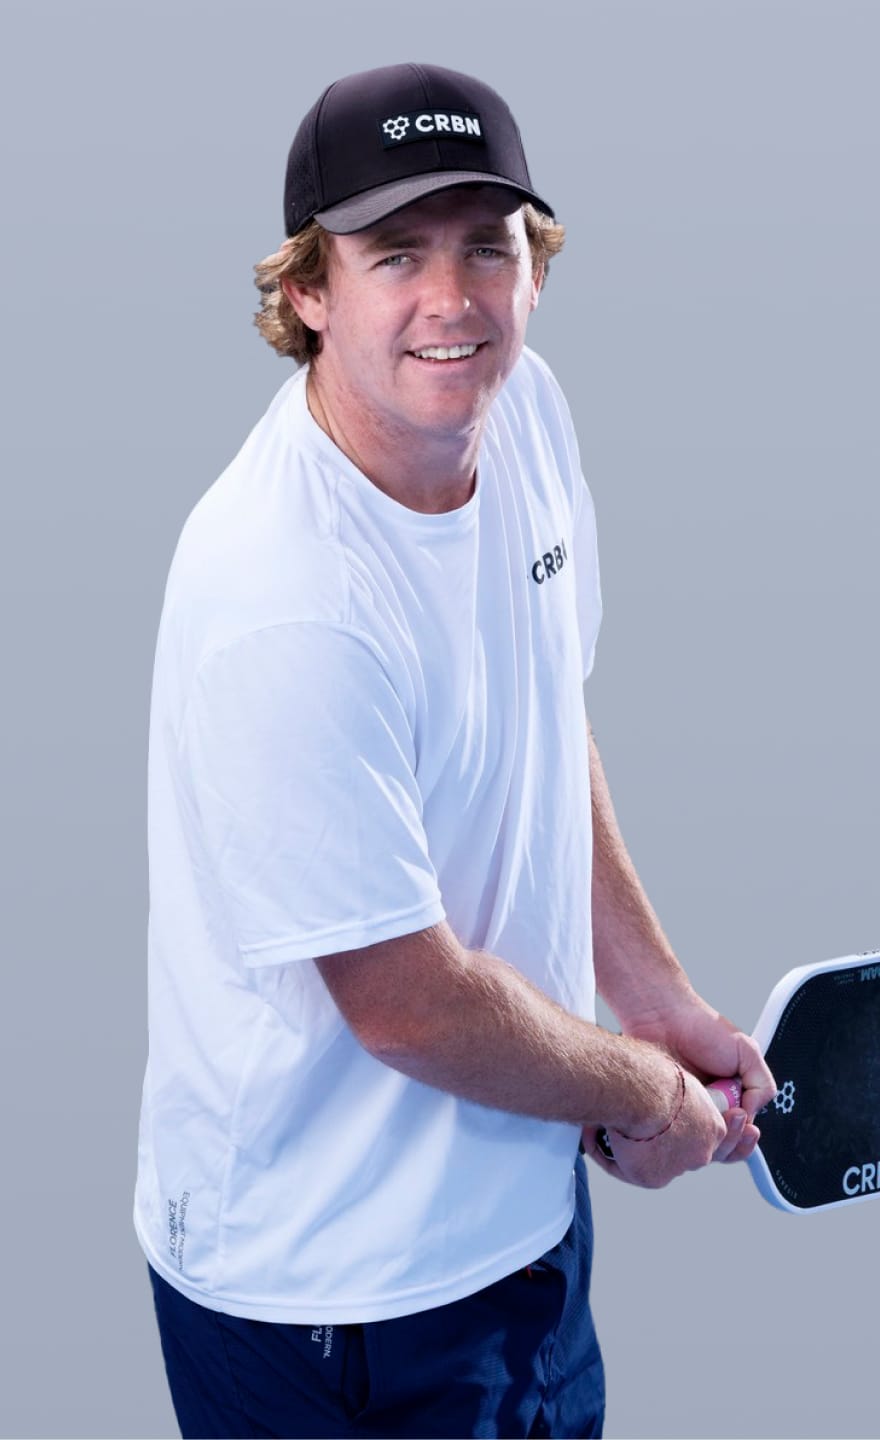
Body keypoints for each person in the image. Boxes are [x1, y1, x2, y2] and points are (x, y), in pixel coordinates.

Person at [134, 62, 775, 1439]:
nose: (453, 300)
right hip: (327, 1301)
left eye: (487, 246)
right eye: (395, 255)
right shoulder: (283, 592)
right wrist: (642, 1090)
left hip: (522, 1232)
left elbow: (545, 715)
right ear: (311, 289)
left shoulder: (522, 414)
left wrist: (652, 995)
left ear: (534, 266)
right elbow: (406, 1003)